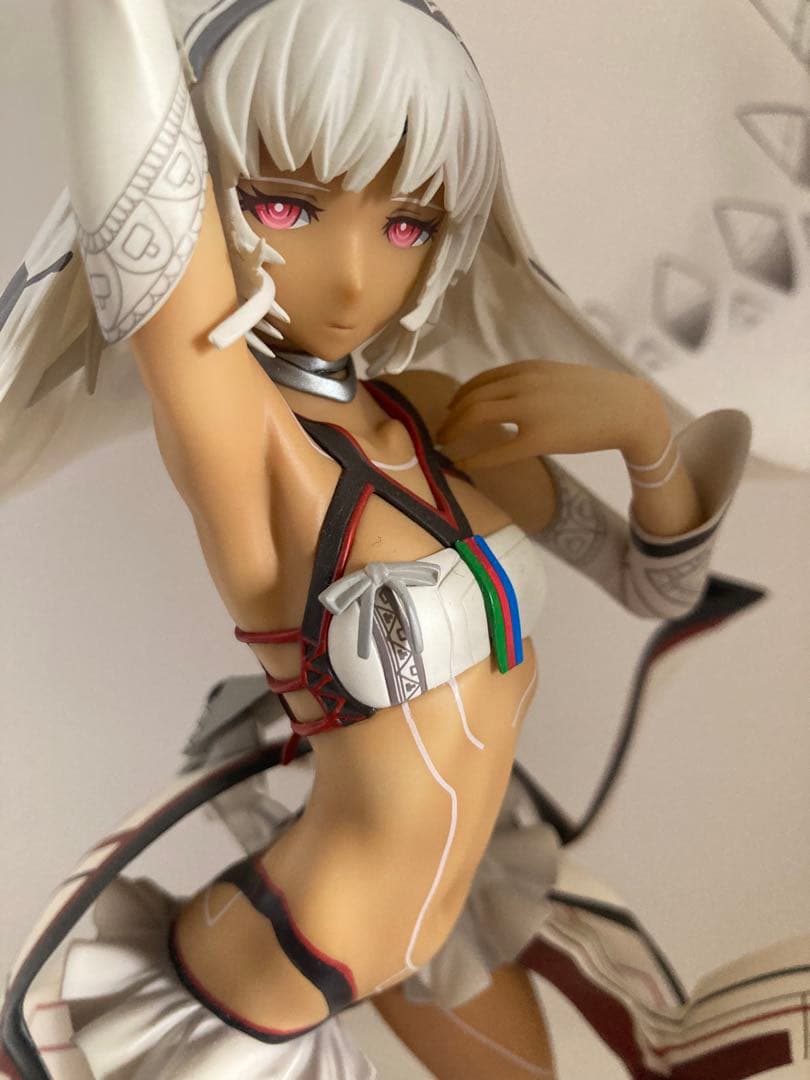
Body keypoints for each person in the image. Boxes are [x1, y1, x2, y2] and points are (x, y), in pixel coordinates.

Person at [4, 2, 789, 1078]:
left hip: (450, 929)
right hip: (280, 960)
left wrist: (642, 434)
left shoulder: (433, 413)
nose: (353, 275)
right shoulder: (252, 446)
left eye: (407, 224)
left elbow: (655, 586)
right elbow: (146, 222)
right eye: (287, 206)